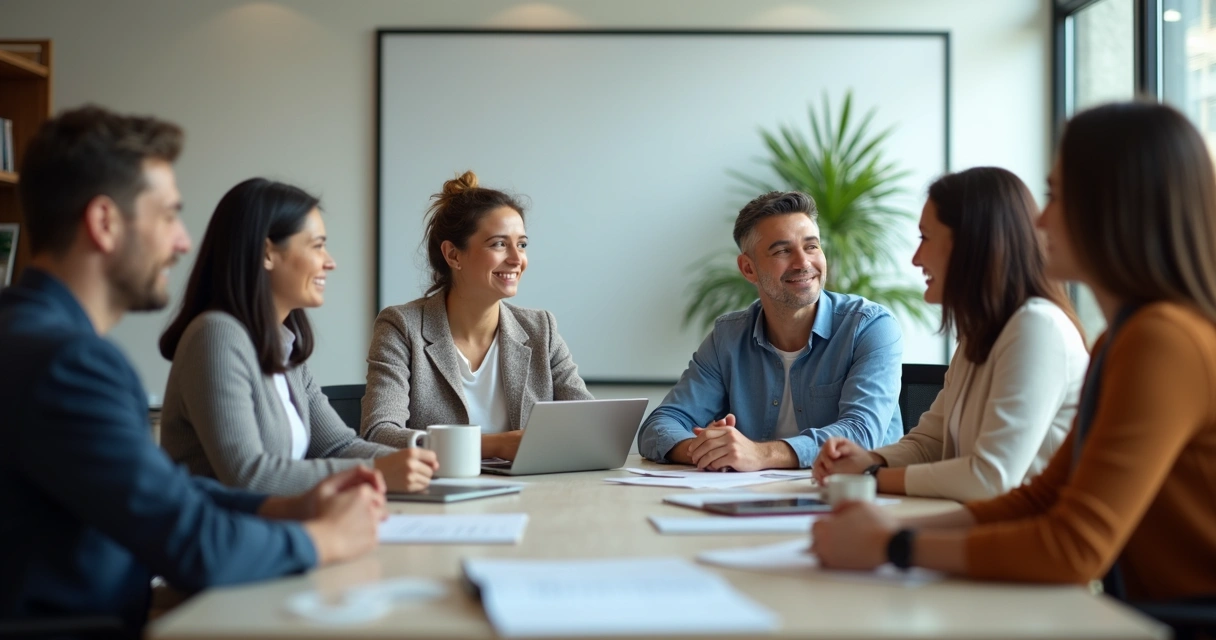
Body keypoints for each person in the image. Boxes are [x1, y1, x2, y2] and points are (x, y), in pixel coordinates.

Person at [0, 106, 386, 637]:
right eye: (168, 216)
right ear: (105, 223)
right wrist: (326, 539)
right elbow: (192, 542)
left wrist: (287, 503)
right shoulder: (71, 363)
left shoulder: (29, 334)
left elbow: (164, 492)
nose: (183, 242)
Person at [811, 101, 1216, 603]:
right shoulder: (1125, 337)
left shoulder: (1162, 341)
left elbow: (1073, 546)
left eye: (1056, 196)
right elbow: (1044, 497)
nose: (1040, 220)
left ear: (1116, 207)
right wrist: (884, 526)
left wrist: (896, 543)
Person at [811, 167, 1088, 501]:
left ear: (970, 245)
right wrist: (870, 459)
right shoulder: (980, 333)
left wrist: (872, 477)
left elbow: (989, 479)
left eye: (925, 238)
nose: (916, 259)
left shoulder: (1037, 329)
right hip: (983, 527)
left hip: (1031, 540)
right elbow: (931, 442)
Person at [158, 178, 438, 496]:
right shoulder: (216, 336)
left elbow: (337, 447)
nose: (329, 262)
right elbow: (248, 477)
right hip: (221, 539)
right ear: (267, 253)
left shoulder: (284, 348)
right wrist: (377, 472)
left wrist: (421, 466)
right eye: (317, 245)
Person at [637, 190, 903, 471]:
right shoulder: (728, 338)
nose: (803, 263)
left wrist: (760, 455)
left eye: (811, 246)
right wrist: (710, 449)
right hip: (755, 499)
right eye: (782, 251)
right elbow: (659, 425)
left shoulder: (870, 326)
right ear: (748, 269)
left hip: (854, 500)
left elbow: (861, 434)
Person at [361, 171, 591, 461]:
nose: (517, 259)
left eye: (521, 244)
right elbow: (379, 434)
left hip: (530, 493)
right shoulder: (401, 326)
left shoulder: (540, 328)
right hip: (437, 495)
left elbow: (588, 425)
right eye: (498, 244)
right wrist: (492, 445)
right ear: (453, 255)